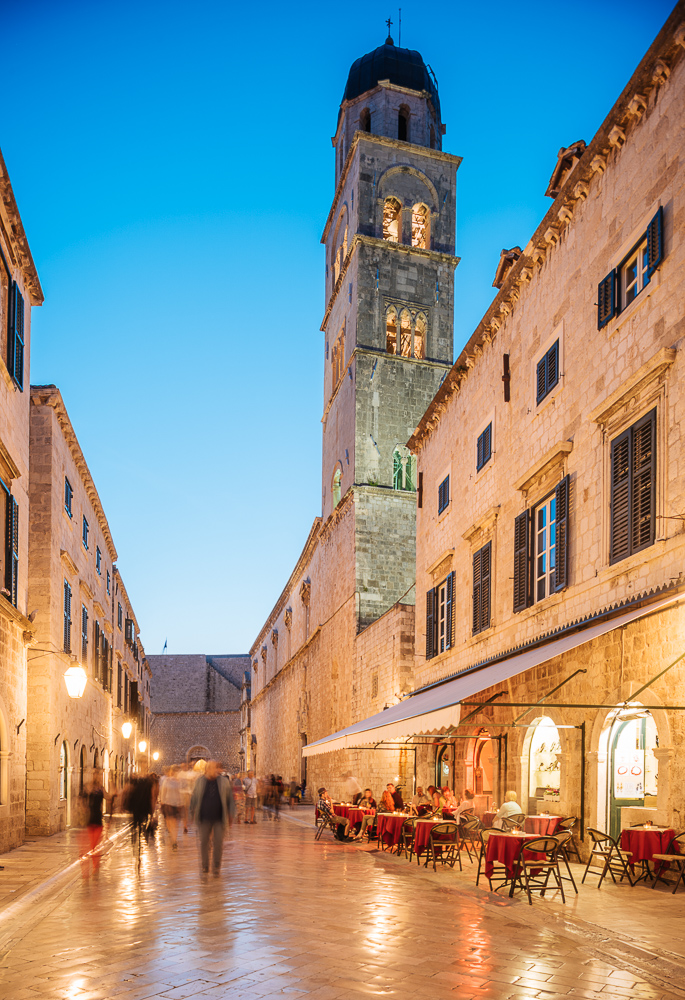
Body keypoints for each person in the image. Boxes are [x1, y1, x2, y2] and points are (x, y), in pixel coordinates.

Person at [189, 760, 236, 873]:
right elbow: (194, 798)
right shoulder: (199, 782)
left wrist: (231, 814)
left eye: (214, 768)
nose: (212, 770)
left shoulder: (224, 782)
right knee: (204, 842)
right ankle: (205, 865)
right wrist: (191, 812)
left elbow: (230, 799)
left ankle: (216, 866)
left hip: (219, 818)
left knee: (218, 843)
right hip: (204, 817)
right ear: (206, 770)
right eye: (210, 768)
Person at [159, 766, 183, 848]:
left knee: (170, 822)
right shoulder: (176, 781)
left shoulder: (167, 781)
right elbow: (179, 793)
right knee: (173, 823)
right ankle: (174, 839)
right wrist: (180, 802)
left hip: (169, 803)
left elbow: (163, 792)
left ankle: (173, 839)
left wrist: (162, 801)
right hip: (174, 804)